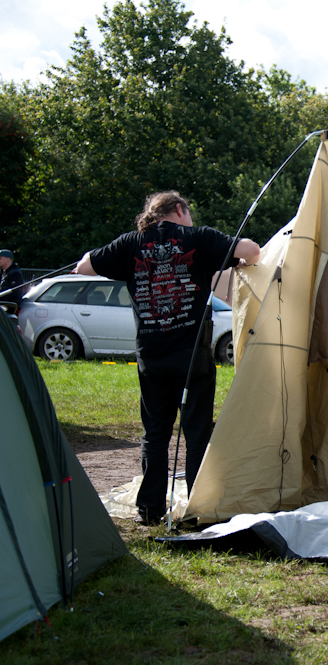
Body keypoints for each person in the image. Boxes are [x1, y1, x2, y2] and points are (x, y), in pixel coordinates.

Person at [74, 191, 260, 525]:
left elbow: (84, 266)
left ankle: (149, 510)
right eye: (188, 214)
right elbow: (251, 251)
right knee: (197, 431)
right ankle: (198, 508)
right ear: (179, 210)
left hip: (152, 356)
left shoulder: (132, 242)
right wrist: (232, 258)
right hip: (192, 357)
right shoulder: (199, 238)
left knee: (156, 434)